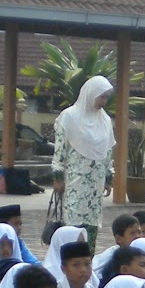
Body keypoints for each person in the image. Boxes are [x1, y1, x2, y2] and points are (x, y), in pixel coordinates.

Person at [54, 75, 115, 233]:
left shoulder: (105, 120)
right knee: (73, 225)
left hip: (96, 183)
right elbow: (60, 150)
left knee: (92, 226)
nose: (104, 102)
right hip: (75, 181)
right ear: (90, 94)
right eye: (101, 97)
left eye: (106, 98)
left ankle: (89, 257)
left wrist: (108, 178)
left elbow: (108, 151)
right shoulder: (69, 117)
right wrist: (57, 178)